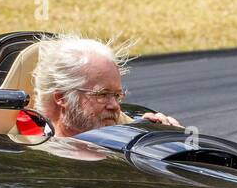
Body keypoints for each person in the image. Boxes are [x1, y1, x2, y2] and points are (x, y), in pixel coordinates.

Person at [23, 35, 180, 138]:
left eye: (117, 95)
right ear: (62, 98)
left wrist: (159, 133)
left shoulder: (120, 131)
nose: (115, 106)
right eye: (102, 94)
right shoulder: (27, 144)